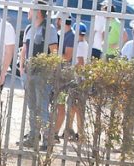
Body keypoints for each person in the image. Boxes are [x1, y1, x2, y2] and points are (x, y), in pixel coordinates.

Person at [18, 0, 58, 148]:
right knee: (32, 107)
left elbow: (54, 51)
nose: (28, 11)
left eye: (31, 9)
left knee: (42, 108)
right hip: (29, 74)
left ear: (38, 12)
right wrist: (21, 69)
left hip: (42, 75)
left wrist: (50, 72)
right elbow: (24, 49)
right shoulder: (29, 28)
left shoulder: (49, 28)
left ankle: (47, 141)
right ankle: (33, 137)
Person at [64, 22, 90, 141]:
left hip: (78, 79)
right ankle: (70, 130)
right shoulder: (85, 44)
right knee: (74, 107)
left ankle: (79, 134)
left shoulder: (79, 45)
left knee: (76, 107)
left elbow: (80, 63)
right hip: (82, 79)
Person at [53, 13, 75, 142]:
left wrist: (53, 55)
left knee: (60, 105)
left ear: (62, 20)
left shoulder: (71, 36)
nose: (56, 21)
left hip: (64, 77)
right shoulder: (60, 34)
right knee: (56, 104)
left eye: (58, 19)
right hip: (57, 74)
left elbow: (67, 56)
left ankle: (55, 133)